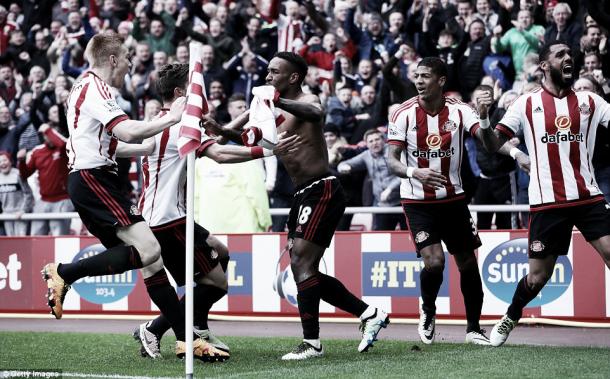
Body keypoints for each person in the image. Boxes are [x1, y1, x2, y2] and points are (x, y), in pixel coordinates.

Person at [39, 33, 223, 362]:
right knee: (150, 249)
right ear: (112, 59)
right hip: (93, 180)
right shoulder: (95, 87)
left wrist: (148, 141)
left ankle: (185, 340)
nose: (129, 64)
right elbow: (124, 132)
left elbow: (114, 144)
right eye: (126, 58)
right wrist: (171, 117)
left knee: (151, 263)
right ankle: (65, 273)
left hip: (91, 179)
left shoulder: (88, 89)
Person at [206, 52, 390, 360]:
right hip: (302, 193)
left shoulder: (306, 99)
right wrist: (222, 129)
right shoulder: (268, 108)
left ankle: (312, 344)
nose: (268, 76)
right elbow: (251, 138)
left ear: (293, 77)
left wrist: (276, 100)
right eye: (267, 72)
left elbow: (315, 113)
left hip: (323, 189)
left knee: (302, 265)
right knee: (304, 268)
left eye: (275, 72)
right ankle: (368, 313)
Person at [118, 63, 299, 359]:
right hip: (167, 220)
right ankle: (153, 329)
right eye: (191, 89)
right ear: (179, 93)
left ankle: (196, 325)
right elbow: (219, 153)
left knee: (222, 252)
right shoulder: (178, 126)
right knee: (217, 282)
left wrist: (251, 112)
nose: (195, 95)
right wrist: (267, 151)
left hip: (168, 215)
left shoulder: (159, 121)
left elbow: (215, 140)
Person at [486, 42, 610, 346]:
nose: (568, 58)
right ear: (544, 65)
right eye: (560, 55)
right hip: (547, 203)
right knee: (538, 278)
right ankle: (511, 316)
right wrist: (513, 149)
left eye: (570, 54)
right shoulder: (525, 104)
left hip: (587, 196)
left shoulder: (590, 101)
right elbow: (491, 144)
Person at [387, 57, 498, 345]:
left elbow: (488, 143)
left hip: (453, 199)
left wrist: (484, 116)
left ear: (441, 81)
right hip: (417, 201)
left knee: (467, 264)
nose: (419, 81)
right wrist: (415, 172)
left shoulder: (460, 111)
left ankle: (474, 328)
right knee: (434, 262)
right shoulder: (403, 114)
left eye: (425, 76)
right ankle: (428, 310)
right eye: (417, 76)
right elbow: (392, 162)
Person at [338, 129, 405, 231]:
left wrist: (390, 189)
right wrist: (344, 167)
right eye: (371, 141)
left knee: (410, 237)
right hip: (383, 206)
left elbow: (404, 173)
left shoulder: (393, 152)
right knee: (380, 239)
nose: (374, 143)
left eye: (377, 139)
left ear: (384, 140)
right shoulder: (366, 155)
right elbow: (343, 164)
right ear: (367, 144)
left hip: (402, 203)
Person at [16, 124, 73, 236]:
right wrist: (21, 161)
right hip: (43, 200)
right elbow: (25, 174)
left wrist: (47, 129)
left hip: (63, 199)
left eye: (50, 134)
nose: (49, 137)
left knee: (60, 236)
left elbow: (62, 144)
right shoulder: (37, 151)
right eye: (46, 135)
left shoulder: (65, 148)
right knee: (36, 236)